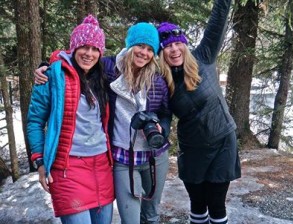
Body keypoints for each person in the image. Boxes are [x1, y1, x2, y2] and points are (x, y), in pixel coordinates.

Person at [34, 22, 172, 224]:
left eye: (150, 49)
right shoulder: (110, 68)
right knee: (131, 219)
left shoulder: (158, 79)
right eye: (140, 46)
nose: (144, 53)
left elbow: (166, 113)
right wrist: (48, 65)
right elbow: (81, 55)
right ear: (130, 45)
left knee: (151, 216)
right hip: (122, 156)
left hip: (154, 155)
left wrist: (163, 128)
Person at [157, 0, 241, 223]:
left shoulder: (203, 56)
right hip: (193, 148)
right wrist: (161, 130)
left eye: (177, 44)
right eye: (167, 46)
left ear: (184, 44)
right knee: (197, 202)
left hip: (222, 140)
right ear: (161, 52)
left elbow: (218, 21)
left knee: (216, 203)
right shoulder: (162, 81)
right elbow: (164, 112)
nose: (174, 49)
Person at [27, 15, 114, 224]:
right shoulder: (51, 76)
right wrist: (40, 162)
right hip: (68, 169)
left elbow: (135, 60)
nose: (89, 54)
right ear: (73, 48)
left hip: (102, 166)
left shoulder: (102, 77)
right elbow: (35, 121)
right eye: (84, 47)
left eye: (95, 49)